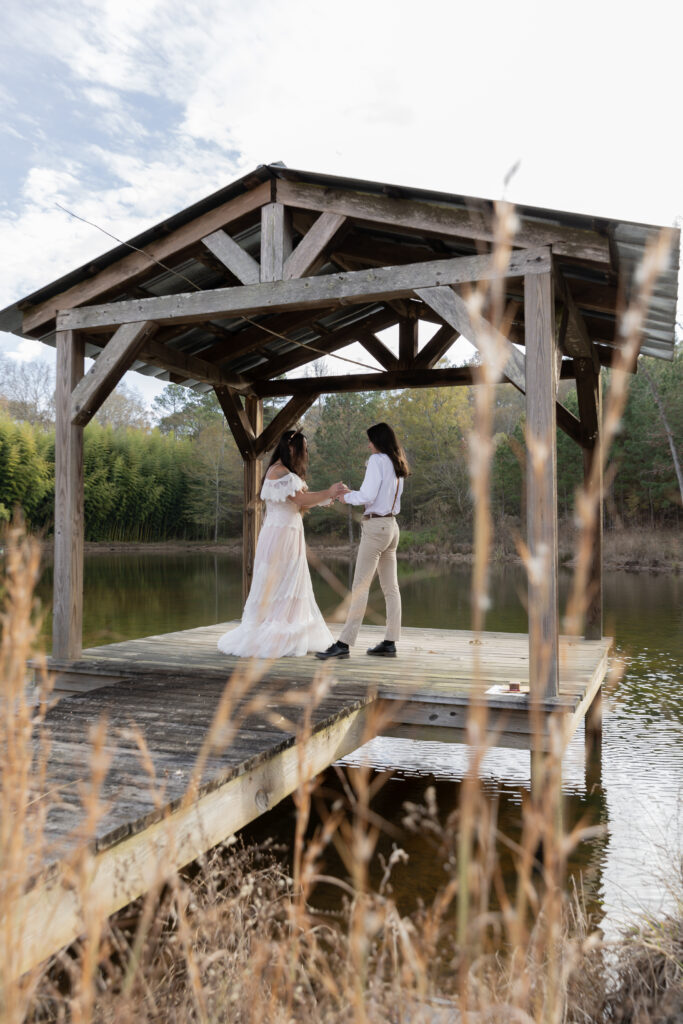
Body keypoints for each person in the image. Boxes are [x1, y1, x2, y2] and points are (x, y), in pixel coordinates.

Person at [217, 430, 348, 658]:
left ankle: (289, 628)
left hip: (282, 532)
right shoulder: (280, 472)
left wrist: (327, 497)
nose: (305, 453)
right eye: (303, 448)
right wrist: (328, 492)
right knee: (282, 580)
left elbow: (298, 502)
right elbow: (299, 499)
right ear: (290, 448)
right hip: (283, 534)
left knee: (287, 581)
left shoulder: (281, 472)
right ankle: (279, 633)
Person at [316, 422, 409, 660]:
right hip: (392, 527)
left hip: (376, 528)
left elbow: (367, 496)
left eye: (370, 441)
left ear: (378, 441)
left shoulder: (377, 461)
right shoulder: (397, 463)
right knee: (391, 588)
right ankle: (390, 642)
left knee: (360, 587)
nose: (368, 445)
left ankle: (344, 644)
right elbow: (378, 496)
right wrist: (352, 494)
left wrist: (345, 497)